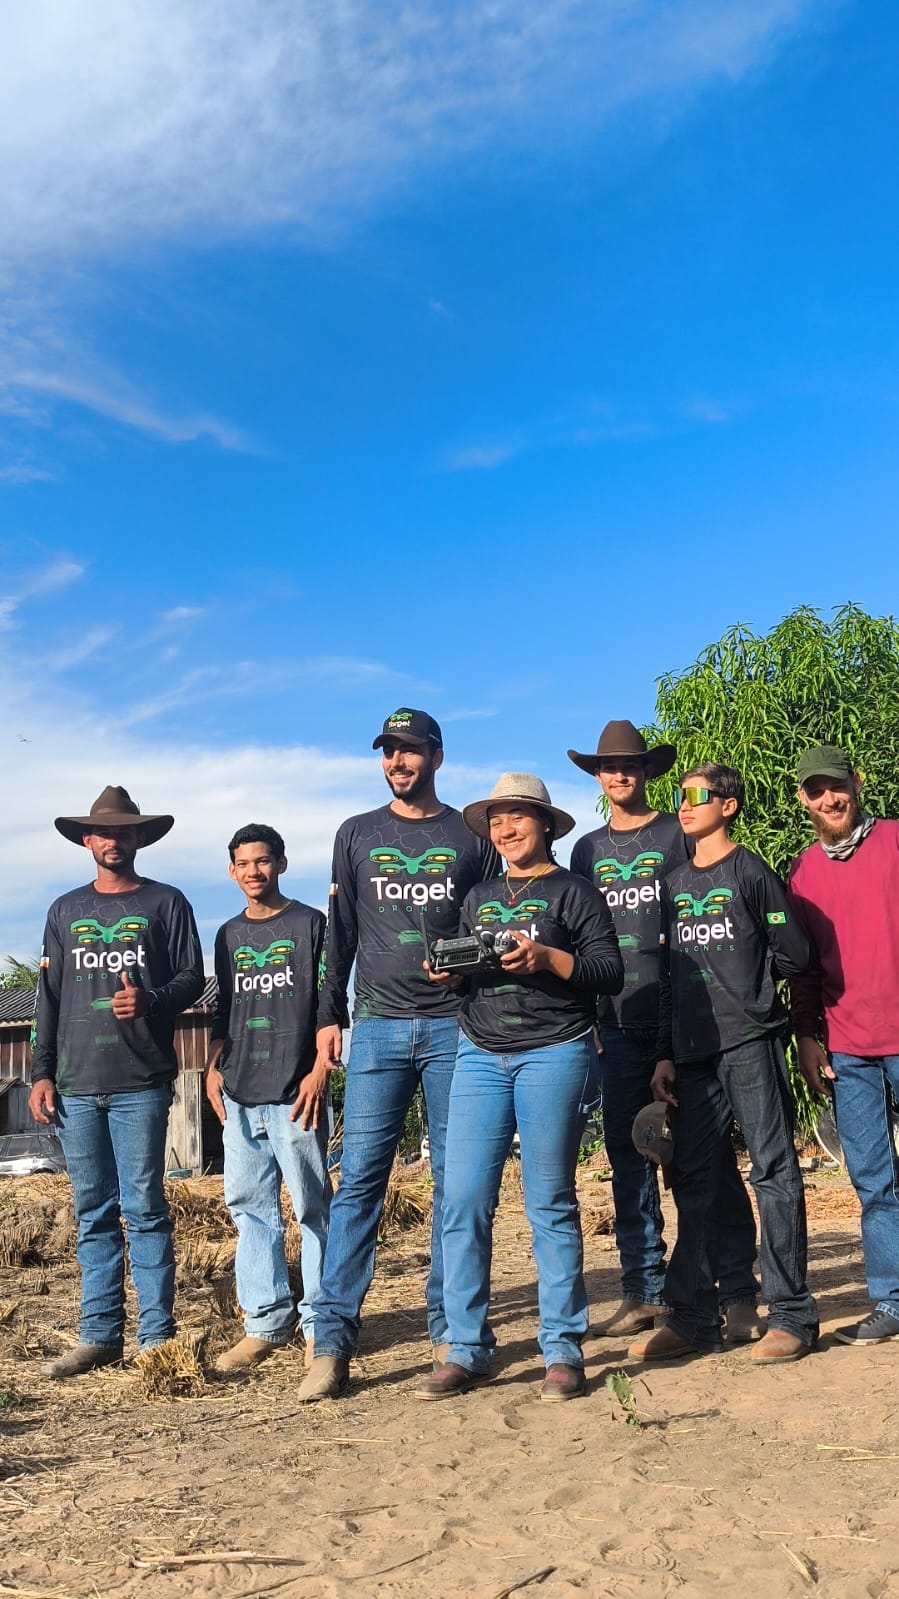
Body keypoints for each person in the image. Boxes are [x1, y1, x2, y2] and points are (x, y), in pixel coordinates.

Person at [299, 709, 500, 1402]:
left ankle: (450, 1332)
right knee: (357, 1185)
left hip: (455, 1026)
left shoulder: (469, 837)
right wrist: (331, 1015)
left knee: (457, 1182)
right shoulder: (355, 833)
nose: (398, 762)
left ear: (437, 756)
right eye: (389, 752)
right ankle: (330, 1345)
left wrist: (469, 972)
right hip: (379, 1025)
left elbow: (490, 922)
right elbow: (341, 933)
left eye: (410, 751)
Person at [415, 773, 624, 1403]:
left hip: (553, 1051)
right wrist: (450, 975)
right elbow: (472, 970)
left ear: (546, 824)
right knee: (462, 1201)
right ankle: (466, 1346)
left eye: (518, 819)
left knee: (550, 1202)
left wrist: (548, 959)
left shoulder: (575, 892)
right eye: (496, 821)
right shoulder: (478, 895)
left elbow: (608, 971)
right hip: (478, 1052)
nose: (506, 831)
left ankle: (561, 1349)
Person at [568, 721, 760, 1341]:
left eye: (631, 765)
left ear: (647, 772)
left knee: (702, 1161)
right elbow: (575, 936)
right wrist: (589, 1020)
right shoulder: (587, 851)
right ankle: (644, 1290)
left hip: (685, 1019)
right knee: (630, 1154)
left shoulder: (678, 831)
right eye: (608, 767)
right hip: (616, 1019)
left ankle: (732, 1288)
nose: (620, 775)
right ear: (597, 777)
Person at [633, 763, 818, 1366]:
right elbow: (666, 976)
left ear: (729, 806)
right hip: (689, 1053)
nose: (683, 806)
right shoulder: (674, 881)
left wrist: (765, 1005)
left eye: (696, 796)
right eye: (679, 797)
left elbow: (794, 953)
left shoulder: (752, 872)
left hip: (750, 1042)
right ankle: (694, 1319)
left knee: (773, 1171)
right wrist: (664, 1049)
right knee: (693, 1180)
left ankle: (791, 1315)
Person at [29, 785, 205, 1377]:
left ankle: (157, 1339)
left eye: (124, 832)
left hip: (141, 1081)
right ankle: (99, 1335)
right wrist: (42, 1072)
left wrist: (150, 1000)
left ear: (139, 839)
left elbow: (191, 979)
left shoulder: (167, 902)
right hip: (77, 1083)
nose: (113, 840)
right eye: (103, 832)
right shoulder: (64, 910)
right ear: (88, 840)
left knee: (146, 1208)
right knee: (92, 1212)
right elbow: (47, 997)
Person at [205, 824, 332, 1375]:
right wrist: (213, 1068)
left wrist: (321, 1070)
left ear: (280, 862)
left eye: (263, 861)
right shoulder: (228, 933)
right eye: (243, 864)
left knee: (312, 1208)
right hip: (240, 1091)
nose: (253, 872)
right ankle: (265, 1322)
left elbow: (330, 1001)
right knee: (250, 1210)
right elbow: (223, 1006)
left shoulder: (309, 924)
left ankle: (320, 1325)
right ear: (231, 871)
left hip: (294, 1091)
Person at [788, 745, 899, 1345]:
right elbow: (802, 969)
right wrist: (807, 1036)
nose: (830, 798)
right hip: (848, 1044)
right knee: (873, 1179)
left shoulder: (896, 843)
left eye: (838, 786)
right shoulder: (802, 875)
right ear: (805, 800)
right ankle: (891, 1300)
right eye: (816, 790)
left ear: (857, 785)